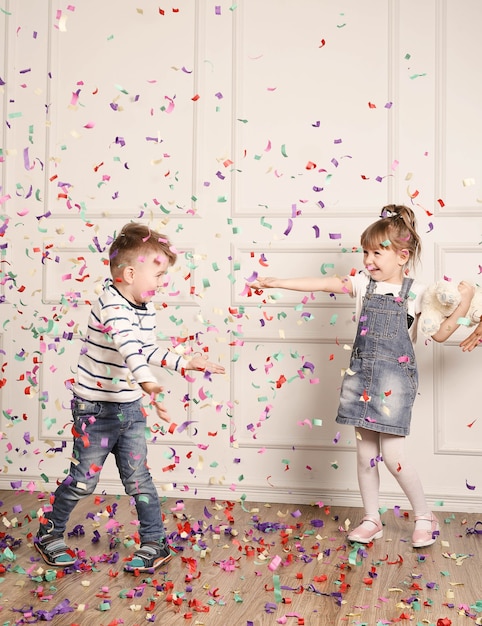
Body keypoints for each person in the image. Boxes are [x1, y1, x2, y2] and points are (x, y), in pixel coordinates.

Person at [250, 205, 474, 547]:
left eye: (377, 252)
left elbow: (442, 333)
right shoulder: (361, 285)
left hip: (395, 382)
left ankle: (424, 515)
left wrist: (467, 299)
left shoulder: (418, 293)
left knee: (394, 456)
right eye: (365, 251)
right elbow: (324, 283)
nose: (368, 259)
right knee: (365, 454)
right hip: (361, 378)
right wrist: (277, 282)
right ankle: (372, 519)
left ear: (402, 256)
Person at [35, 222, 225, 571]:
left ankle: (155, 543)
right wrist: (147, 381)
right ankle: (49, 533)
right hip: (95, 410)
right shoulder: (110, 304)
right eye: (158, 273)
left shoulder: (143, 306)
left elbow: (147, 348)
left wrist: (184, 362)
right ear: (130, 272)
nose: (162, 281)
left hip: (129, 408)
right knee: (82, 481)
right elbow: (127, 346)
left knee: (139, 480)